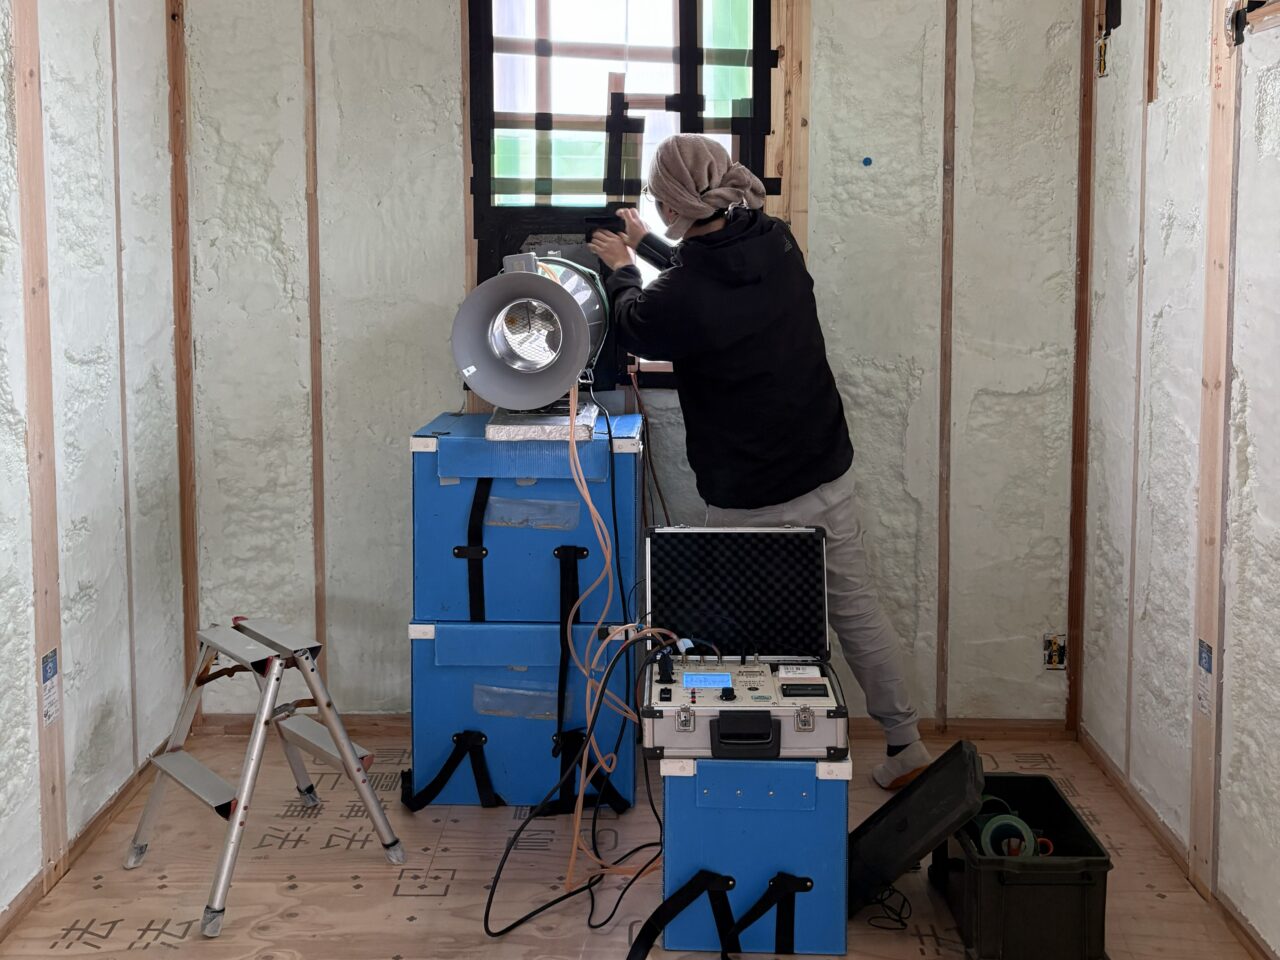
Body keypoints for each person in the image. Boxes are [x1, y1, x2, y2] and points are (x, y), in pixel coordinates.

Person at [587, 134, 930, 790]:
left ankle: (749, 768)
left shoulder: (683, 292)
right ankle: (905, 741)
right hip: (821, 462)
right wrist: (649, 246)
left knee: (738, 630)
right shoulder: (775, 239)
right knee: (854, 607)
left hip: (745, 488)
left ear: (672, 203)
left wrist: (623, 266)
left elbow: (638, 323)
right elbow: (707, 275)